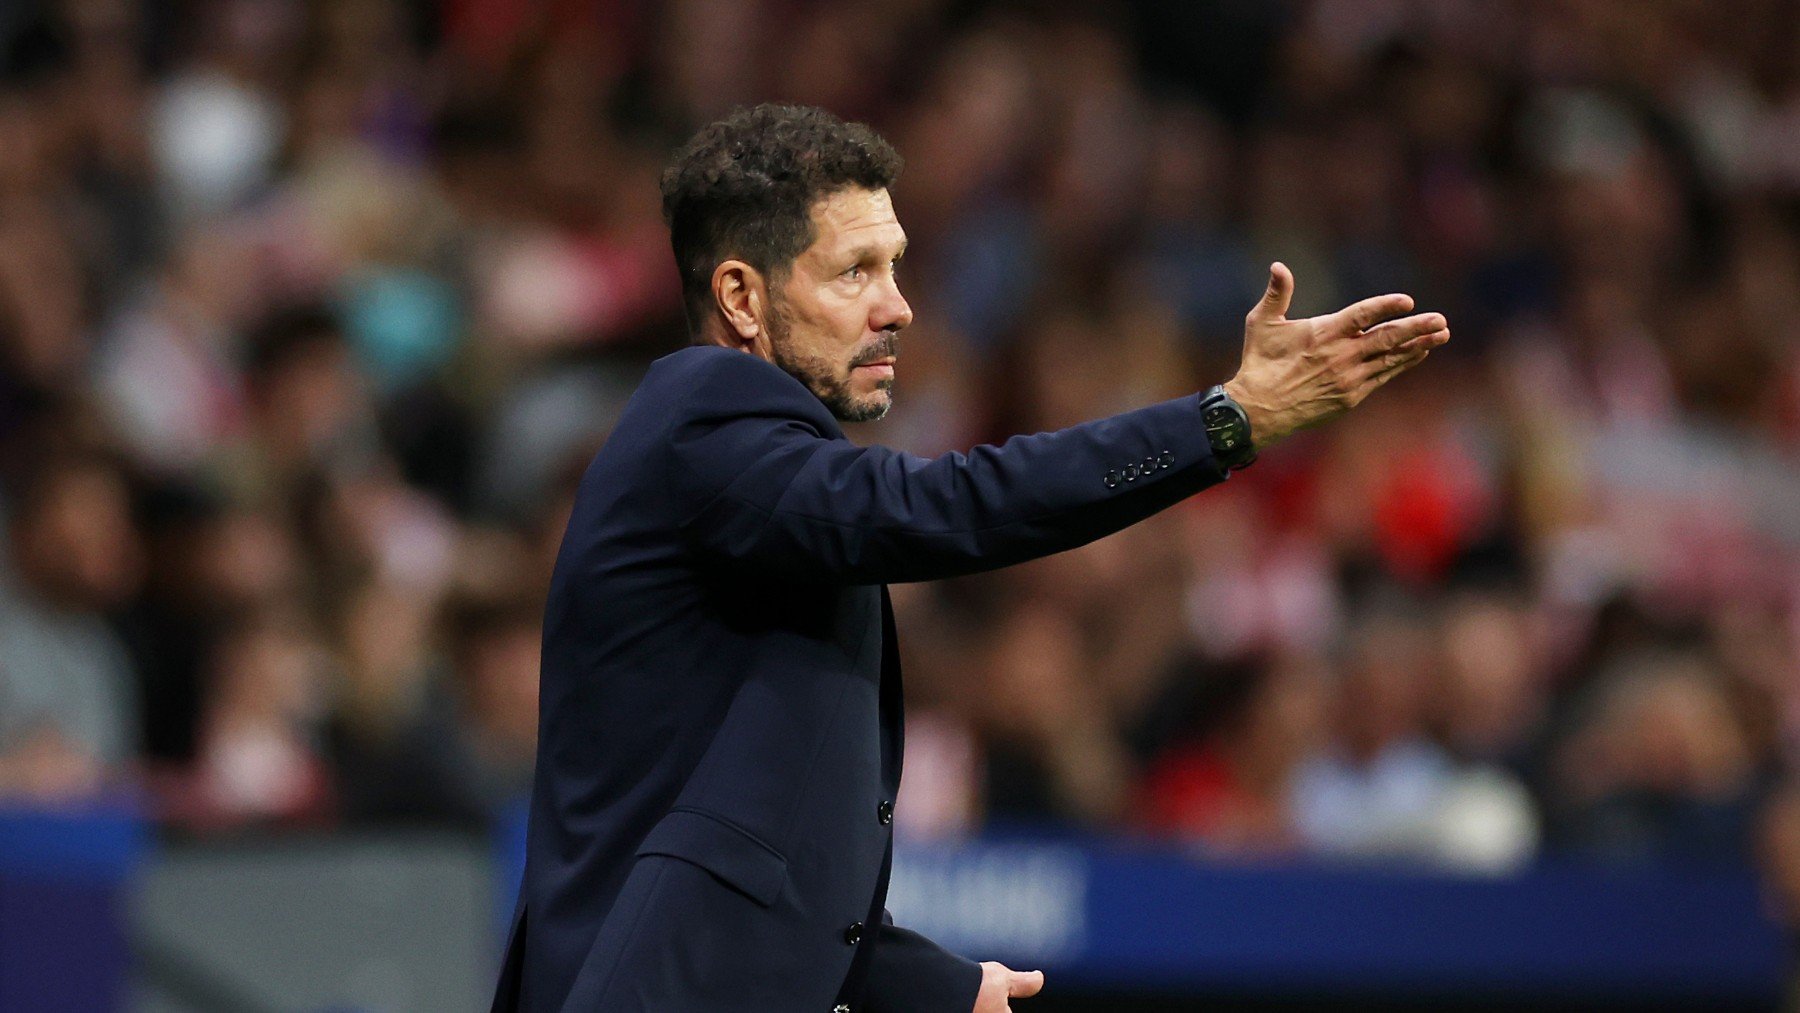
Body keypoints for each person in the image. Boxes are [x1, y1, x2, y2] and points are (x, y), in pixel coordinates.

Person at [491, 103, 1448, 1013]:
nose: (899, 306)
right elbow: (944, 506)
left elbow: (742, 822)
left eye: (897, 265)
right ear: (742, 295)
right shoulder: (706, 418)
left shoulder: (751, 486)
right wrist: (1225, 424)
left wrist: (921, 984)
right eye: (854, 271)